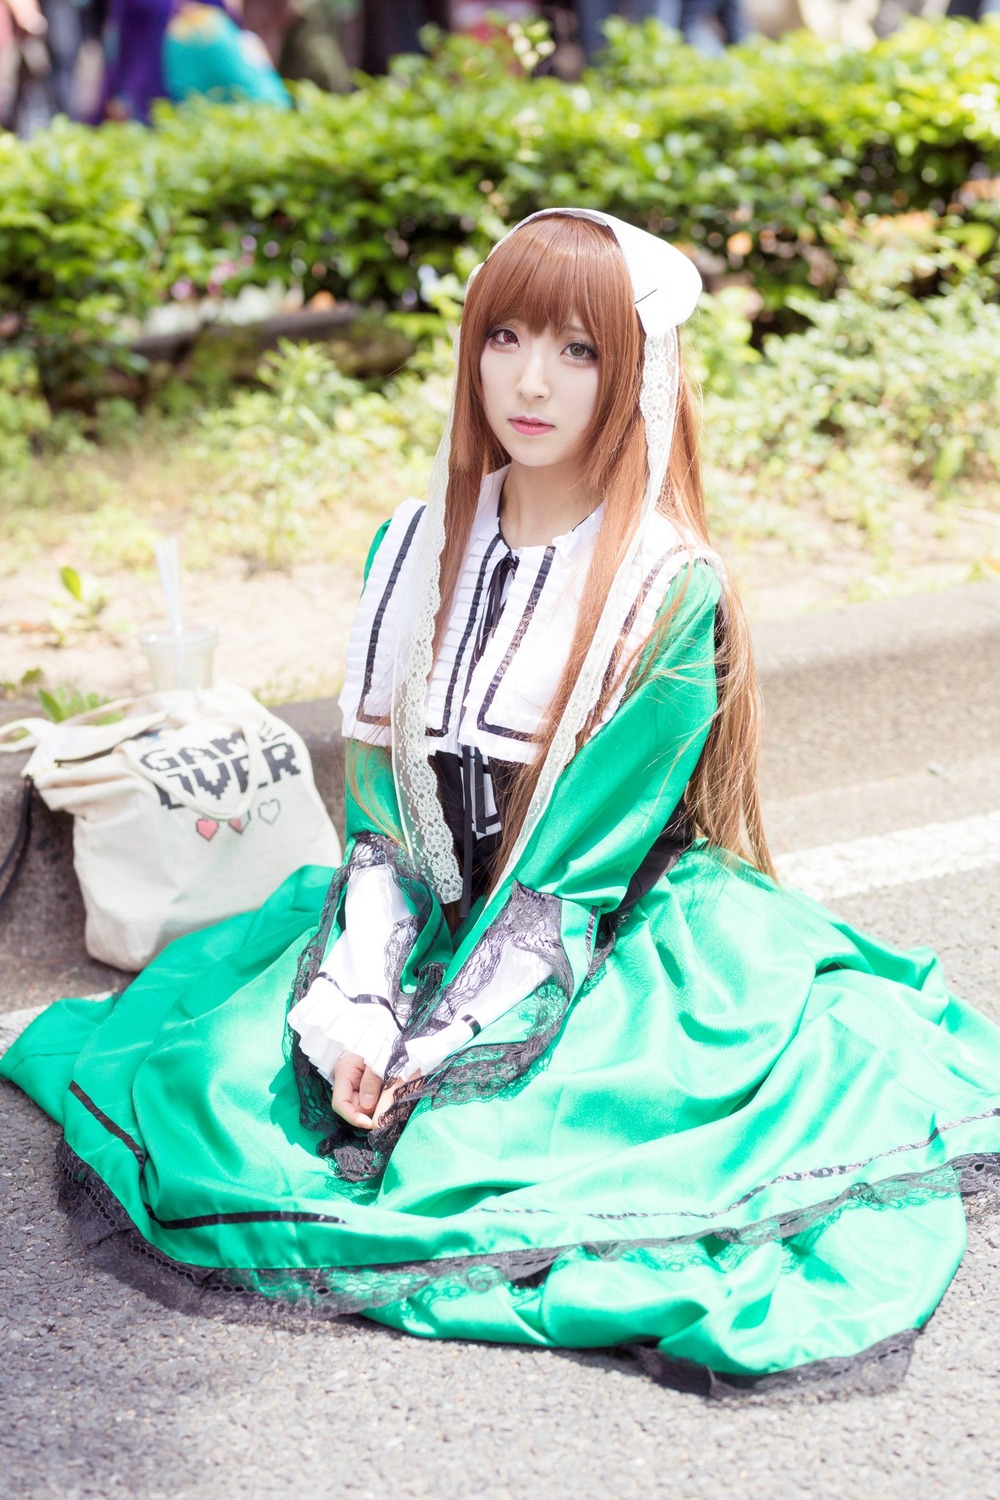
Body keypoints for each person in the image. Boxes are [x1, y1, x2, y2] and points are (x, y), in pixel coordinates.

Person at [3, 208, 1000, 1397]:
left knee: (500, 1155)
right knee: (218, 1081)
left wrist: (425, 1050)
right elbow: (379, 821)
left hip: (593, 941)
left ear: (633, 371)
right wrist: (359, 1007)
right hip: (426, 910)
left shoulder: (666, 588)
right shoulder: (412, 545)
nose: (530, 381)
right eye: (507, 337)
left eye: (579, 350)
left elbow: (567, 881)